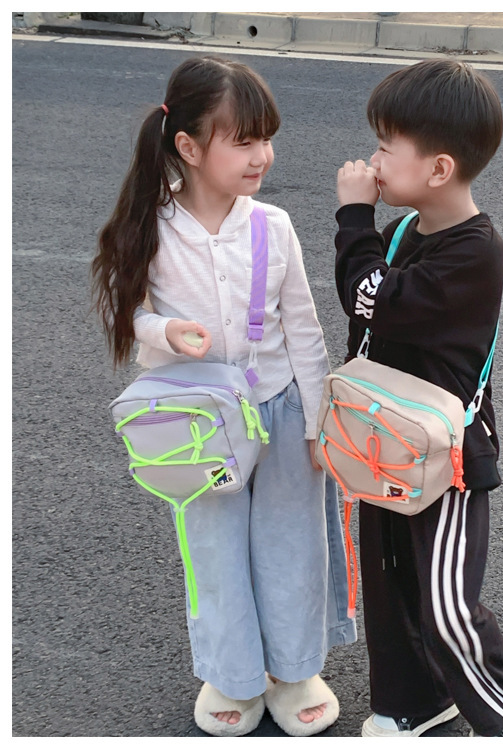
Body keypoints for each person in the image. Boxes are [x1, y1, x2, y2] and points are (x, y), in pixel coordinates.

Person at [91, 55, 356, 738]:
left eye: (266, 139)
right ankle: (232, 675)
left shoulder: (274, 225)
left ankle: (294, 672)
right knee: (214, 551)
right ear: (188, 146)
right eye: (243, 141)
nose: (261, 155)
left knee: (295, 546)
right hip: (200, 423)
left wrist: (319, 423)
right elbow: (129, 313)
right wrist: (166, 332)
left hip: (283, 411)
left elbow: (304, 329)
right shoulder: (151, 225)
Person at [333, 59, 503, 738]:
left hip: (447, 456)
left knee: (447, 602)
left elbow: (371, 299)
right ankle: (414, 703)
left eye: (386, 147)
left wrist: (353, 215)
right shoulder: (405, 231)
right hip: (390, 441)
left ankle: (501, 706)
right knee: (391, 581)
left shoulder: (476, 251)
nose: (373, 161)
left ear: (440, 168)